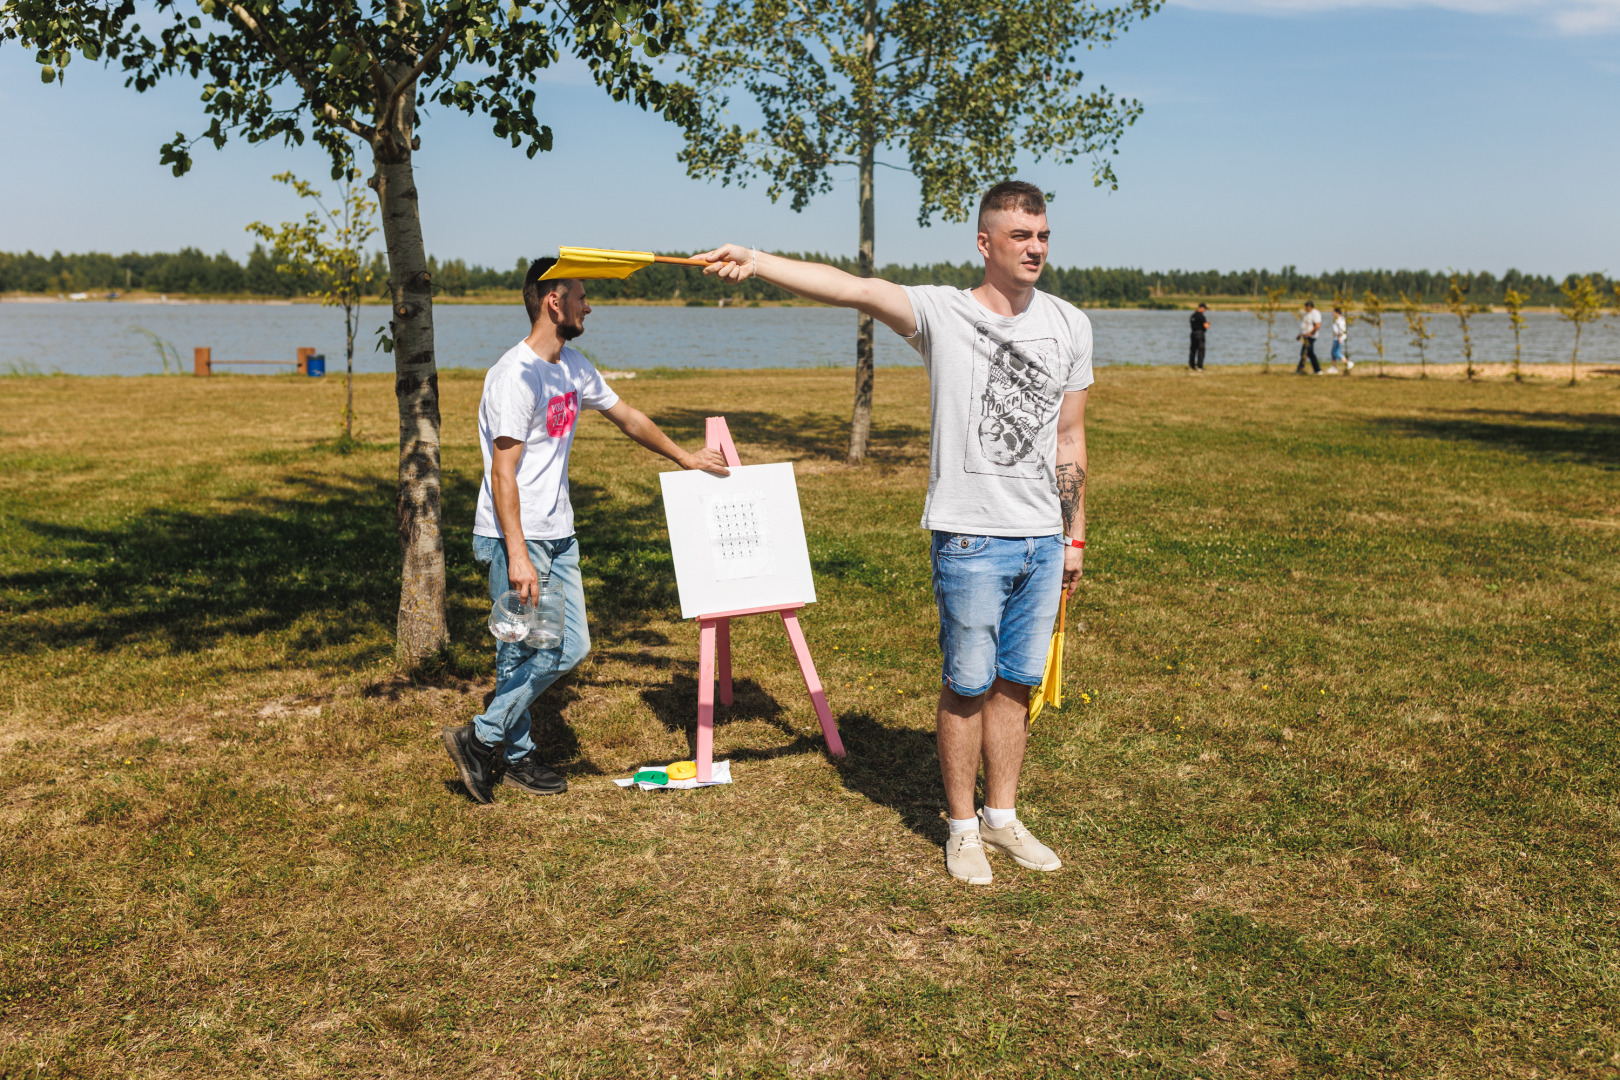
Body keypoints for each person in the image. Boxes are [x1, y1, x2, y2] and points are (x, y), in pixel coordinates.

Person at [694, 180, 1090, 885]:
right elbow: (854, 288)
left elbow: (1071, 438)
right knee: (968, 685)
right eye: (1021, 236)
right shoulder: (944, 312)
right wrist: (756, 260)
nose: (1036, 248)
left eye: (1044, 235)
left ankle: (1004, 818)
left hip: (1041, 538)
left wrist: (1074, 537)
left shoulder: (1070, 324)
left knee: (1016, 685)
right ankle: (962, 828)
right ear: (986, 242)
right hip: (969, 535)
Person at [441, 258, 731, 804]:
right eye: (579, 295)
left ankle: (488, 742)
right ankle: (500, 747)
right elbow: (503, 475)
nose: (587, 305)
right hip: (517, 537)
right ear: (554, 301)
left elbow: (628, 417)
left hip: (559, 532)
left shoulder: (572, 366)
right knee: (528, 651)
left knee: (559, 646)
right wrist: (519, 555)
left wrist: (684, 458)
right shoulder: (514, 376)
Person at [1295, 300, 1322, 375]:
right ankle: (1318, 370)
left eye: (1307, 307)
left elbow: (1317, 325)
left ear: (1310, 307)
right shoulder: (1307, 314)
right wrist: (1300, 335)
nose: (1305, 308)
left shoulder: (1315, 313)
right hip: (1305, 336)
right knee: (1310, 353)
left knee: (1304, 352)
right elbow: (1304, 325)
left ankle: (1300, 369)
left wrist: (1310, 333)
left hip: (1311, 336)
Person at [1328, 305, 1352, 374]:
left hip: (1338, 338)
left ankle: (1348, 363)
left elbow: (1342, 330)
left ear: (1337, 313)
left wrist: (1340, 338)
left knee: (1336, 352)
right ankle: (1334, 367)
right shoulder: (1337, 319)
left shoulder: (1340, 320)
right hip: (1336, 337)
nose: (1333, 314)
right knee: (1333, 353)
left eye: (1334, 313)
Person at [1188, 303, 1209, 372]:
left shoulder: (1193, 316)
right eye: (1205, 309)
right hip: (1200, 333)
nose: (1205, 310)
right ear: (1201, 308)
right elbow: (1206, 326)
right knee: (1201, 350)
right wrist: (1208, 324)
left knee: (1193, 350)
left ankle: (1192, 366)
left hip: (1193, 333)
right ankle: (1200, 366)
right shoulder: (1201, 316)